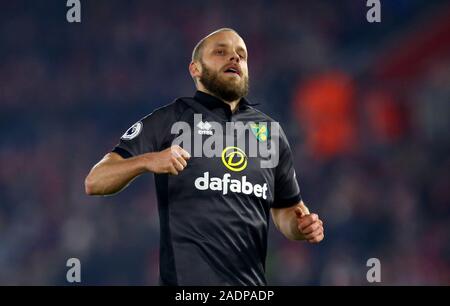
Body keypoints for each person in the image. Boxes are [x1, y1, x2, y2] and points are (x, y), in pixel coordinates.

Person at [85, 28, 324, 285]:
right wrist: (147, 161)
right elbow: (95, 181)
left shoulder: (270, 133)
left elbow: (286, 211)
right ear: (195, 69)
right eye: (220, 52)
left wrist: (301, 227)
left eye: (241, 55)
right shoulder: (171, 119)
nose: (234, 58)